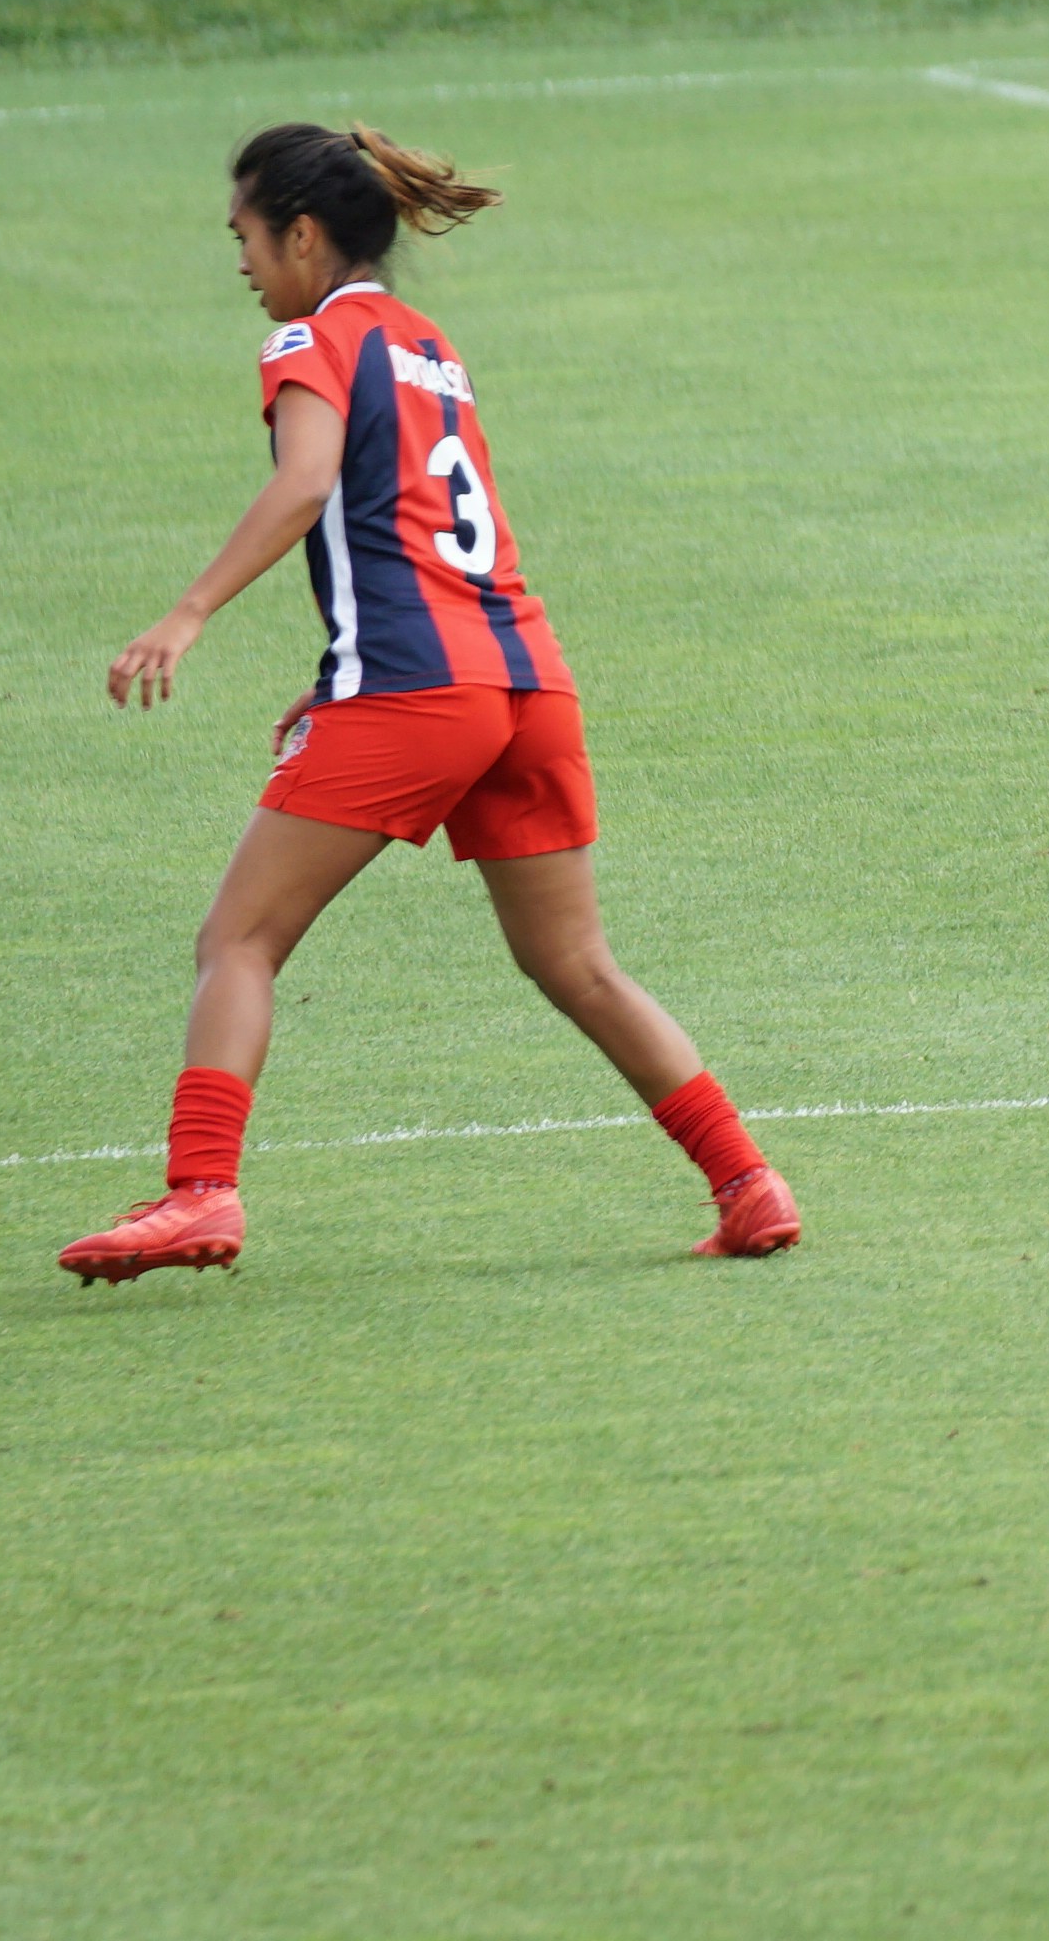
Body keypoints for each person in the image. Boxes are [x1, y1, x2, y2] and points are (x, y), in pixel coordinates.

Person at [58, 125, 795, 1285]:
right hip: (525, 679)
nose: (242, 263)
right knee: (578, 962)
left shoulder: (312, 338)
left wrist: (188, 612)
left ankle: (198, 1193)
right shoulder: (429, 347)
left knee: (237, 941)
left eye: (246, 236)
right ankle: (749, 1182)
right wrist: (343, 667)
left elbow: (308, 483)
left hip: (416, 688)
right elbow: (424, 525)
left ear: (303, 234)